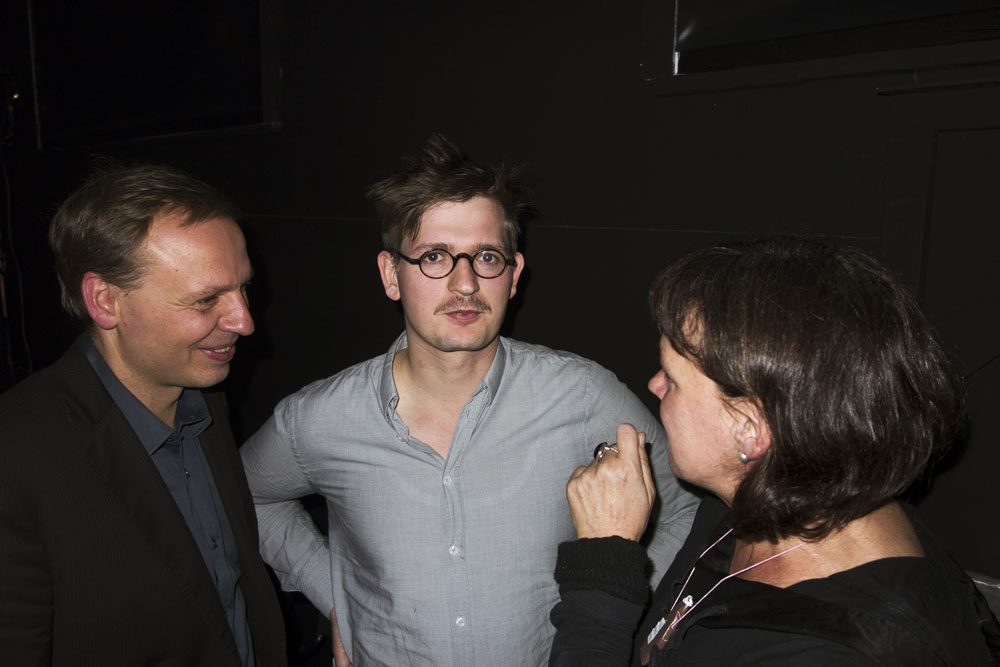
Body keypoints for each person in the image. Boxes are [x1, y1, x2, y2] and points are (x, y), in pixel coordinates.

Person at [240, 135, 698, 666]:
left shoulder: (580, 394)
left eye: (486, 257)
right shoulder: (318, 419)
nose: (465, 283)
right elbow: (248, 496)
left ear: (514, 276)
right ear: (391, 274)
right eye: (434, 256)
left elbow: (684, 504)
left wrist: (626, 617)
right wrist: (335, 597)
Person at [549, 238, 1000, 665]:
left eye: (672, 378)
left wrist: (602, 568)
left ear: (749, 429)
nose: (654, 385)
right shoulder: (778, 496)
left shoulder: (828, 654)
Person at [0, 164, 286, 666]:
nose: (244, 321)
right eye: (206, 299)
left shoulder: (204, 397)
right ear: (105, 301)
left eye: (243, 288)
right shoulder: (18, 453)